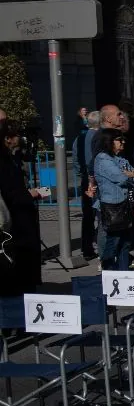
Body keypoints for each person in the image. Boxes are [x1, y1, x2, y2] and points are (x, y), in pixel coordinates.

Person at [0, 123, 45, 294]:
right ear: (7, 139)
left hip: (23, 215)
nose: (21, 138)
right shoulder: (4, 163)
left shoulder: (14, 158)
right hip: (15, 219)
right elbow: (10, 193)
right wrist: (30, 194)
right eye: (16, 135)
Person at [92, 128, 134, 269]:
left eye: (123, 139)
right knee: (113, 241)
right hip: (112, 206)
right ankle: (109, 273)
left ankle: (123, 272)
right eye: (119, 140)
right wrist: (131, 174)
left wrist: (132, 174)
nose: (123, 142)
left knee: (125, 242)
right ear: (108, 142)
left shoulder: (119, 159)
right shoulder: (102, 159)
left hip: (124, 205)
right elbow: (121, 177)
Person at [73, 109, 99, 260]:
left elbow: (76, 158)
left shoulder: (80, 138)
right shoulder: (99, 137)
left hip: (85, 178)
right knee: (101, 214)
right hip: (96, 178)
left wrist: (81, 174)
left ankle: (87, 247)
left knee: (88, 215)